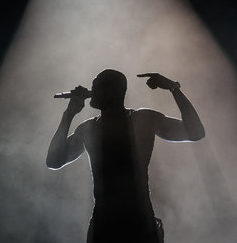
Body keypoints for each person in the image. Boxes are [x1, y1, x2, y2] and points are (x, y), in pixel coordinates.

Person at [46, 69, 205, 243]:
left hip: (139, 225)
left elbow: (196, 132)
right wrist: (69, 114)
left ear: (113, 91)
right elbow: (54, 161)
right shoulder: (88, 128)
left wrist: (174, 89)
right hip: (105, 226)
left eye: (97, 86)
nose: (92, 90)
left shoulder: (143, 119)